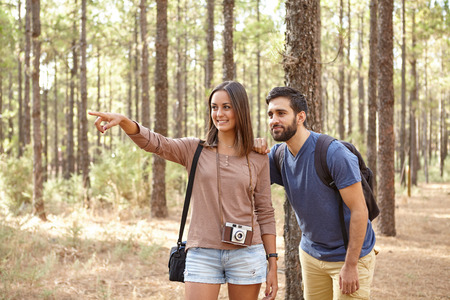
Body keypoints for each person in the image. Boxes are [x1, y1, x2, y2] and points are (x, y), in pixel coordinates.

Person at [89, 81, 278, 300]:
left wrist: (272, 262)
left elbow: (265, 211)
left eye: (227, 107)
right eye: (214, 107)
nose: (219, 113)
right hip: (203, 252)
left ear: (240, 110)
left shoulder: (257, 156)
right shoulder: (194, 149)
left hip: (246, 253)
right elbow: (156, 143)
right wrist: (124, 122)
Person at [254, 86, 376, 300]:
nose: (274, 120)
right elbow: (247, 175)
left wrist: (350, 265)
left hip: (347, 257)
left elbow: (359, 210)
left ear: (300, 117)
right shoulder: (279, 155)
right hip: (311, 254)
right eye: (270, 115)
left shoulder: (333, 154)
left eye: (281, 113)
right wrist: (252, 148)